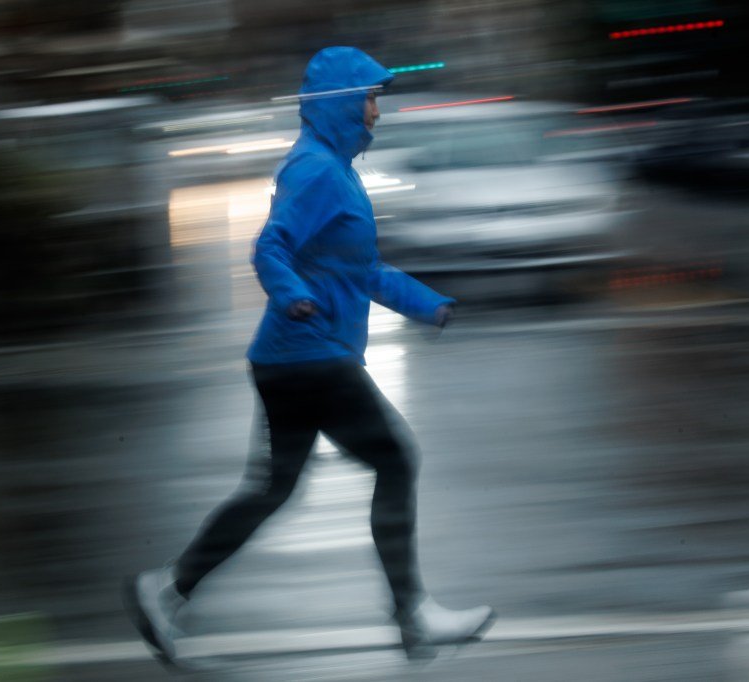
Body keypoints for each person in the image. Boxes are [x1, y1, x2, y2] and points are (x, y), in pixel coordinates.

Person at [127, 46, 494, 663]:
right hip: (310, 354)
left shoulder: (334, 169)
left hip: (293, 358)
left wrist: (427, 304)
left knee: (273, 488)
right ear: (343, 104)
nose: (378, 112)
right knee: (395, 461)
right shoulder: (317, 171)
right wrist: (294, 294)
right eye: (370, 98)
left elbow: (363, 270)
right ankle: (413, 616)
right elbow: (270, 247)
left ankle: (166, 591)